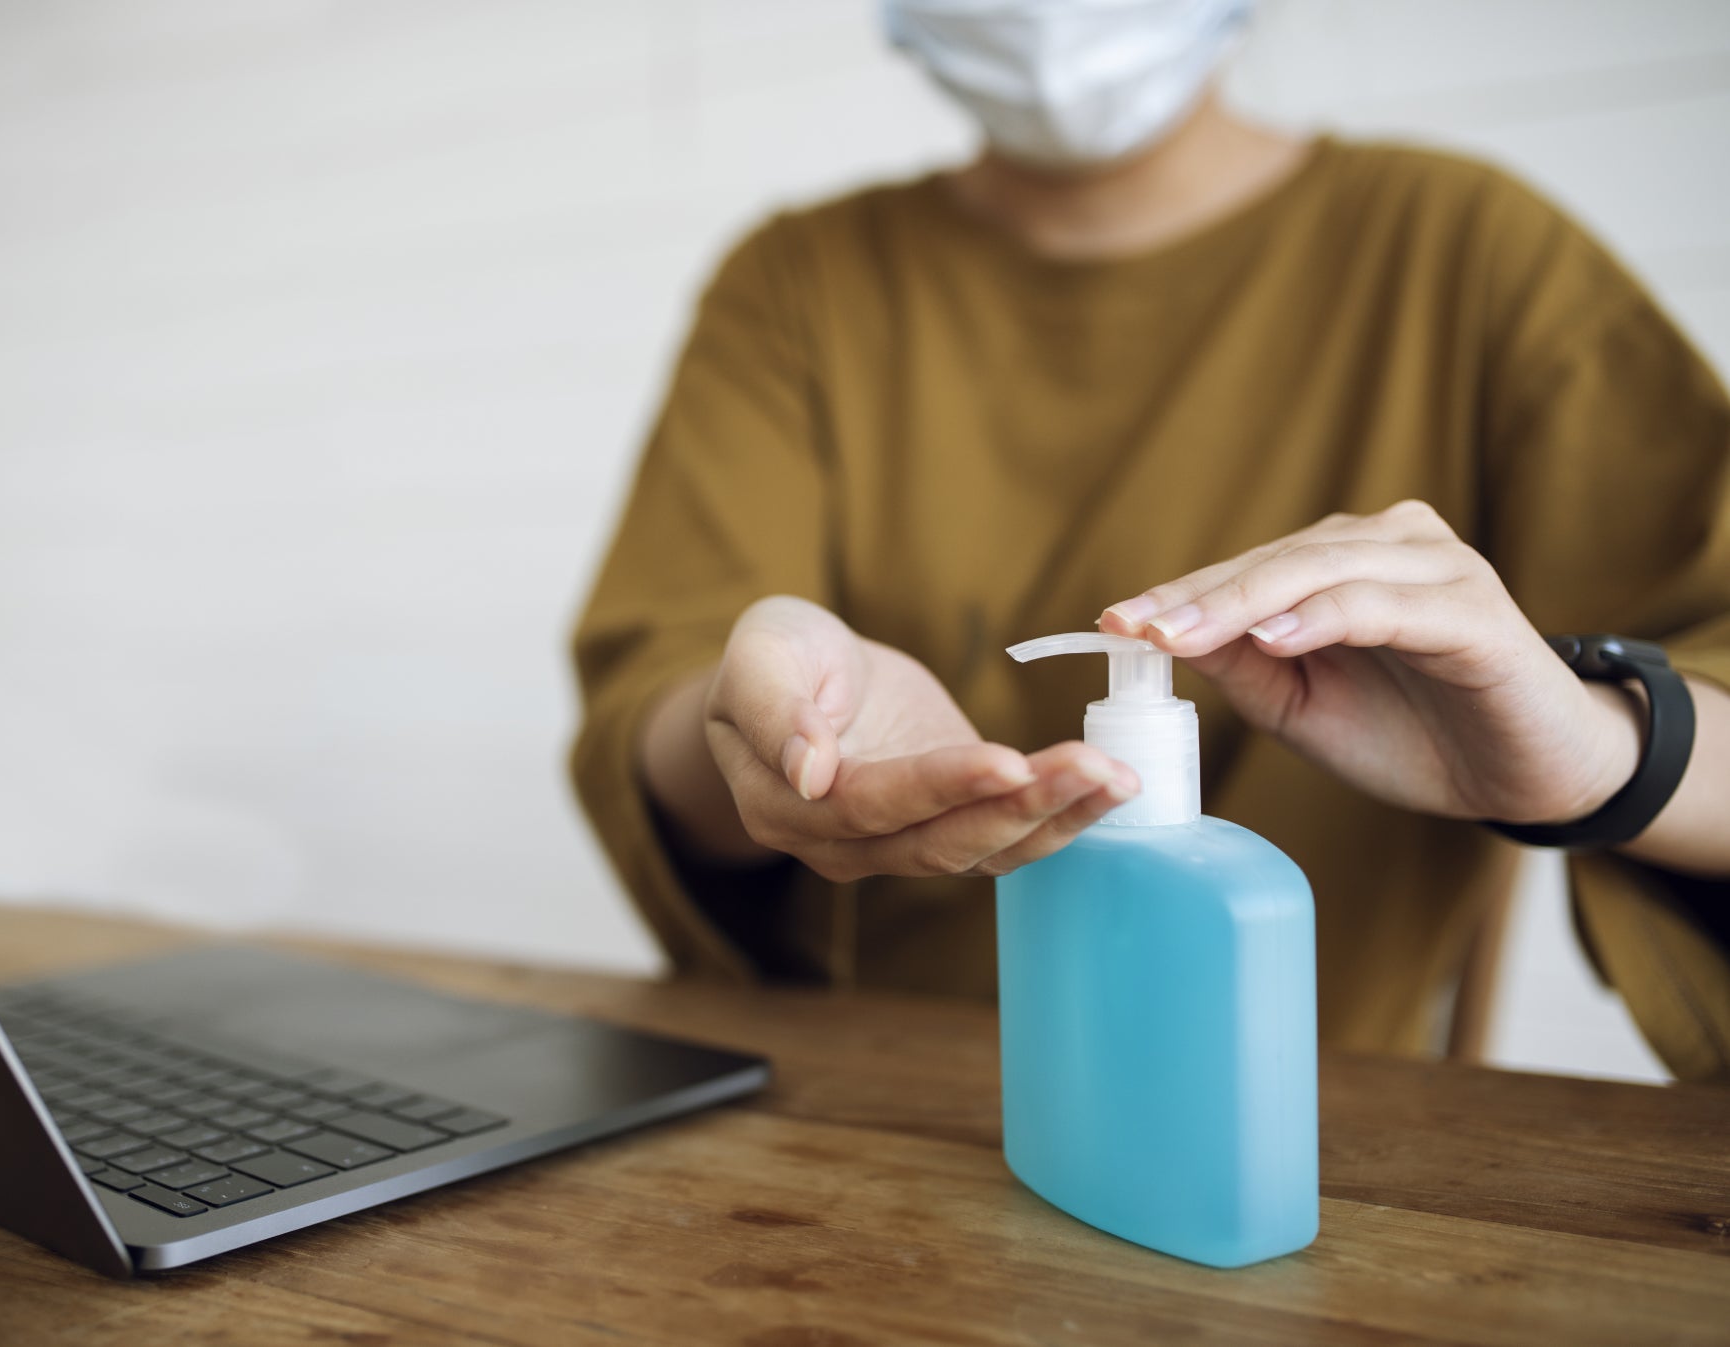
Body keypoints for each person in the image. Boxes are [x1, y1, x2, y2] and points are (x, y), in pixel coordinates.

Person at [569, 0, 1730, 1079]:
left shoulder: (1470, 257)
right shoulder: (794, 287)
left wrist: (1592, 749)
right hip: (878, 1104)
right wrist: (770, 728)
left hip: (1330, 1121)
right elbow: (653, 709)